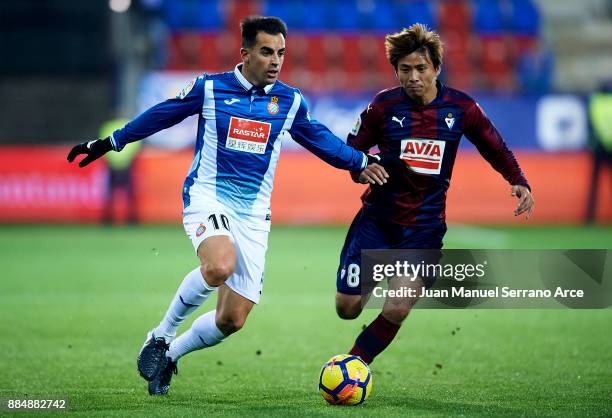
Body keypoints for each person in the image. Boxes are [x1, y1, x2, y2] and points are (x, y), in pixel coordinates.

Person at [67, 16, 388, 395]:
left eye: (281, 53)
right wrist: (111, 142)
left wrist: (361, 162)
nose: (275, 61)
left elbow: (321, 140)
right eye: (267, 52)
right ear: (246, 53)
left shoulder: (288, 101)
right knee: (219, 265)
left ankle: (171, 355)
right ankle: (159, 335)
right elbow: (161, 114)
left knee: (232, 319)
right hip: (208, 196)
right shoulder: (210, 89)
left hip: (253, 215)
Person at [335, 23, 535, 365]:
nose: (413, 77)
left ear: (437, 69)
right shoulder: (382, 107)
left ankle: (353, 365)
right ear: (395, 71)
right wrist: (361, 168)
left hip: (424, 228)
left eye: (421, 68)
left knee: (398, 306)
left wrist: (518, 179)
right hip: (377, 223)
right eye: (405, 69)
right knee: (347, 308)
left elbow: (494, 145)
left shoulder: (461, 108)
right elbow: (352, 149)